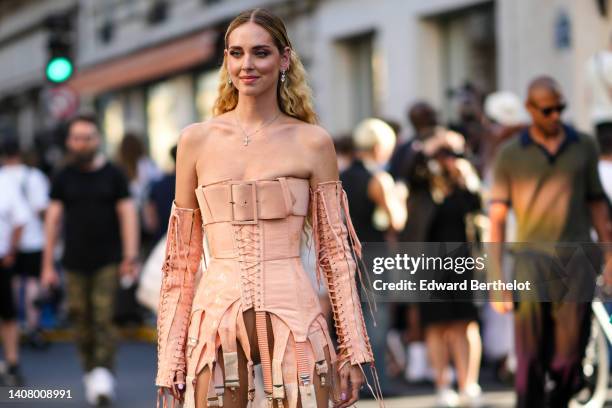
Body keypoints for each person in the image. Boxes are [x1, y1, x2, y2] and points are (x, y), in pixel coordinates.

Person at [155, 9, 381, 408]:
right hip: (214, 322)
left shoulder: (313, 142)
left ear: (284, 58)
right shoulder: (195, 141)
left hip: (296, 319)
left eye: (260, 52)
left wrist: (354, 350)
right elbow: (181, 262)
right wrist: (169, 359)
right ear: (226, 60)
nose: (247, 64)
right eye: (236, 53)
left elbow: (336, 255)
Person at [489, 76, 612, 407]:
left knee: (571, 357)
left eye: (560, 108)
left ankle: (558, 400)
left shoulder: (583, 145)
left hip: (578, 262)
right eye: (547, 110)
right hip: (531, 262)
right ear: (530, 109)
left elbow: (597, 204)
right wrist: (495, 278)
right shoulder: (510, 154)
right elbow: (497, 219)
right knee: (530, 356)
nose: (555, 115)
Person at [41, 113, 140, 406]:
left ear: (97, 140)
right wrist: (47, 265)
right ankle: (90, 371)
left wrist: (130, 256)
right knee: (80, 319)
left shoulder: (114, 174)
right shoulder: (62, 176)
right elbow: (52, 220)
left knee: (104, 318)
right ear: (69, 141)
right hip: (73, 261)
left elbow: (128, 215)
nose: (81, 144)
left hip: (109, 260)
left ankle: (103, 375)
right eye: (76, 138)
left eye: (87, 138)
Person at [0, 138, 50, 349]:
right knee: (31, 282)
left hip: (5, 242)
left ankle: (12, 321)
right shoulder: (34, 176)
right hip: (32, 238)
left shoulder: (3, 177)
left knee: (9, 284)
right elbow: (42, 209)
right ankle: (33, 326)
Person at [0, 139, 30, 386]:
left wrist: (11, 251)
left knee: (8, 313)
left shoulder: (5, 183)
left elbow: (21, 218)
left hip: (1, 260)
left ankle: (12, 362)